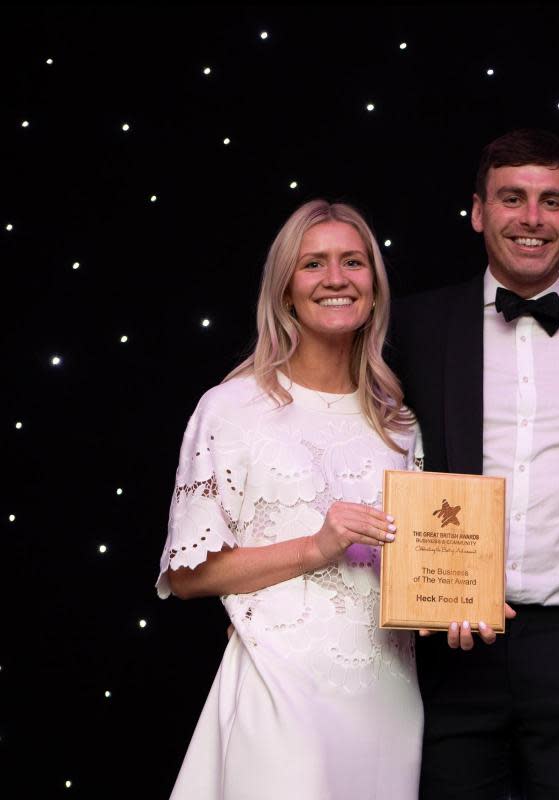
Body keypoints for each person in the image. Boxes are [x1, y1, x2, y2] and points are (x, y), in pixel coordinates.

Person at [390, 128, 559, 799]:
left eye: (552, 201)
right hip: (445, 645)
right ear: (479, 210)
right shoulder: (412, 329)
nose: (533, 219)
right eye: (512, 198)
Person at [156, 200, 423, 799]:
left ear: (375, 290)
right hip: (279, 694)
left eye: (353, 262)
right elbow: (189, 575)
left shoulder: (400, 424)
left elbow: (420, 567)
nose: (335, 279)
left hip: (386, 703)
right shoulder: (229, 410)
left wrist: (457, 603)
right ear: (284, 292)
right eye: (313, 264)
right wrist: (315, 547)